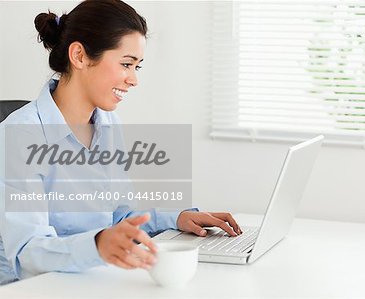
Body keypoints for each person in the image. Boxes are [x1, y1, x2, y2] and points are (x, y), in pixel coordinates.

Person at [0, 0, 241, 285]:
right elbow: (27, 253)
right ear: (79, 56)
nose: (134, 79)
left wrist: (177, 219)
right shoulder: (21, 135)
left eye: (137, 66)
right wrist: (98, 244)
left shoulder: (108, 125)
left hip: (94, 278)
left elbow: (119, 216)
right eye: (126, 64)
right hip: (32, 288)